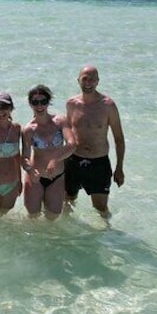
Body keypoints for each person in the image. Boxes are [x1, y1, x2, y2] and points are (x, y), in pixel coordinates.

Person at [64, 65, 126, 218]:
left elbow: (119, 138)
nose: (88, 82)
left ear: (98, 81)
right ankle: (66, 237)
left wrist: (119, 168)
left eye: (92, 79)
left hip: (99, 163)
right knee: (68, 202)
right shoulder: (72, 104)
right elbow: (66, 134)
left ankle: (106, 236)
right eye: (85, 78)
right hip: (73, 161)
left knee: (100, 208)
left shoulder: (108, 106)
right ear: (78, 80)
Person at [20, 85, 76, 220]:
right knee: (32, 217)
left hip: (56, 177)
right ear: (30, 104)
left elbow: (72, 144)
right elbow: (25, 157)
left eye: (43, 101)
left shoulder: (60, 121)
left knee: (53, 218)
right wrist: (29, 170)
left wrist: (55, 159)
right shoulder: (28, 129)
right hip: (35, 179)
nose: (39, 106)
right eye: (35, 102)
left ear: (48, 102)